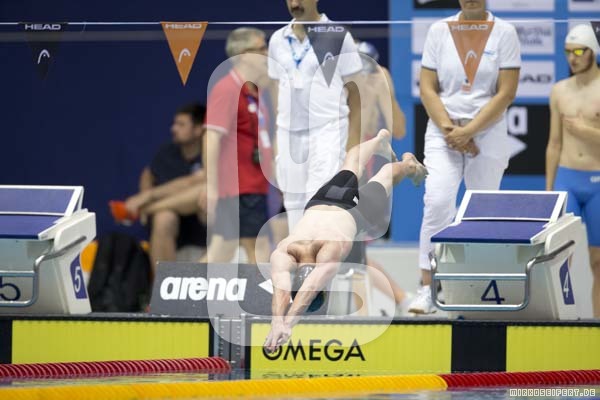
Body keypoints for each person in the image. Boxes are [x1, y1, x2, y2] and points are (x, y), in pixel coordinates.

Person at [264, 130, 428, 353]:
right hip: (321, 201)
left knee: (386, 175)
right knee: (351, 161)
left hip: (356, 212)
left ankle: (409, 165)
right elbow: (283, 290)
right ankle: (379, 141)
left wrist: (285, 324)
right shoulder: (286, 249)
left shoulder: (330, 249)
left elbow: (306, 287)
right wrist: (277, 323)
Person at [409, 0, 521, 314]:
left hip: (488, 132)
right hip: (443, 130)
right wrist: (453, 132)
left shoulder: (505, 32)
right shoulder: (439, 30)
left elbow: (506, 92)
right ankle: (427, 289)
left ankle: (475, 290)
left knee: (482, 211)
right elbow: (428, 88)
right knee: (437, 202)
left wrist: (469, 131)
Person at [268, 0, 363, 231]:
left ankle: (318, 255)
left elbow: (356, 95)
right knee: (293, 204)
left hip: (328, 130)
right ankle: (299, 253)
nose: (295, 3)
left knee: (320, 202)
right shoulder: (277, 40)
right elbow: (276, 94)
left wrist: (353, 148)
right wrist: (276, 141)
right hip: (288, 134)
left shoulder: (338, 35)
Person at [202, 27, 272, 264]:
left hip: (252, 184)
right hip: (240, 188)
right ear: (244, 54)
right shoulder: (227, 88)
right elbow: (211, 138)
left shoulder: (254, 90)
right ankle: (265, 298)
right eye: (262, 48)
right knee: (258, 249)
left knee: (222, 251)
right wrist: (211, 187)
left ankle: (175, 289)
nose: (268, 53)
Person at [546, 23, 600, 318]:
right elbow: (554, 143)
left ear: (593, 52)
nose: (572, 58)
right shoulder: (559, 91)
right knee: (558, 258)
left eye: (579, 52)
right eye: (568, 52)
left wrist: (585, 131)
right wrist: (549, 191)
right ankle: (561, 323)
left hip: (597, 183)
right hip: (567, 178)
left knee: (598, 261)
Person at [122, 104, 208, 271]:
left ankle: (149, 208)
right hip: (175, 229)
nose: (173, 129)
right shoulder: (168, 151)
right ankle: (163, 284)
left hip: (202, 224)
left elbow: (193, 181)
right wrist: (145, 191)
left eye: (181, 124)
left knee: (205, 193)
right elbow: (148, 173)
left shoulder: (210, 150)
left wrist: (147, 198)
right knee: (164, 217)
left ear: (198, 129)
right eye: (174, 124)